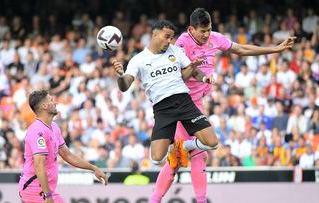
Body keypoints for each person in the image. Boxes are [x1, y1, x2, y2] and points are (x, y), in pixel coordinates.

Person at [151, 8, 296, 203]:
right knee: (193, 156)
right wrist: (197, 70)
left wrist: (275, 49)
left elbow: (241, 49)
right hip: (181, 103)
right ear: (191, 29)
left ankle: (158, 198)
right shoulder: (181, 44)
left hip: (196, 104)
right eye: (202, 31)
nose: (206, 34)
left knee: (187, 158)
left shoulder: (215, 38)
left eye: (209, 29)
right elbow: (177, 75)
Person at [112, 20, 219, 167]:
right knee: (156, 159)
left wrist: (204, 77)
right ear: (155, 35)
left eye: (171, 37)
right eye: (167, 36)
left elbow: (192, 70)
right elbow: (124, 86)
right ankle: (175, 145)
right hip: (162, 109)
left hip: (184, 102)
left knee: (213, 143)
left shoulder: (175, 51)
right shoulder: (138, 60)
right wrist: (120, 76)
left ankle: (185, 145)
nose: (169, 41)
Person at [18, 90, 108, 203]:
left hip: (43, 190)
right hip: (34, 189)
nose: (55, 102)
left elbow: (67, 155)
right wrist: (48, 195)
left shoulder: (54, 127)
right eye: (51, 100)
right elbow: (39, 164)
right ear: (44, 106)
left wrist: (93, 168)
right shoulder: (37, 131)